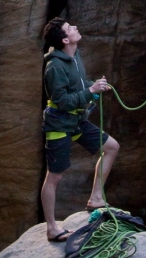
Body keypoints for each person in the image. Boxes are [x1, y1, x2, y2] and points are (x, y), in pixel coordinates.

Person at [41, 17, 119, 242]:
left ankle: (96, 198)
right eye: (70, 28)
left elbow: (78, 84)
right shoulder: (54, 66)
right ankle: (51, 228)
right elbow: (63, 101)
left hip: (76, 121)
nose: (75, 27)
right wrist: (90, 91)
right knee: (54, 177)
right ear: (65, 39)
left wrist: (94, 87)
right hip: (59, 124)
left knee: (112, 147)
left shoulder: (74, 56)